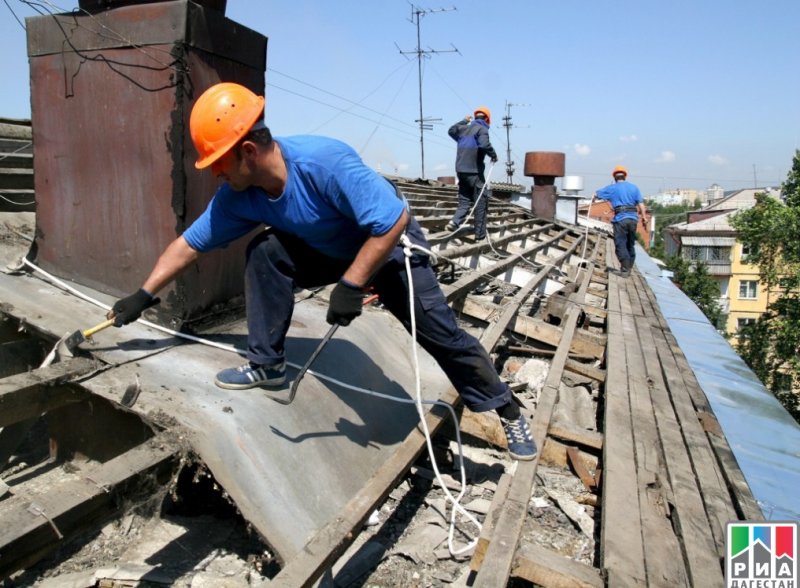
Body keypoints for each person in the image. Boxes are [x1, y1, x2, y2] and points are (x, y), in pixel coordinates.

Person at [108, 83, 536, 461]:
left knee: (440, 335)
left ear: (249, 152)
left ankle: (506, 408)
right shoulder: (238, 196)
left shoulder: (323, 161)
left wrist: (351, 285)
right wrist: (144, 294)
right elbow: (189, 245)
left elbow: (390, 222)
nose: (217, 173)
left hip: (389, 248)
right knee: (266, 250)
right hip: (330, 251)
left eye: (220, 162)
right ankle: (267, 365)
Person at [445, 107, 498, 240]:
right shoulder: (482, 129)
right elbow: (484, 145)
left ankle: (455, 222)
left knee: (464, 200)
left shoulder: (463, 129)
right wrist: (493, 155)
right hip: (474, 172)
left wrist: (463, 121)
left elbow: (451, 130)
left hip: (461, 171)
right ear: (487, 119)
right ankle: (480, 237)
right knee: (481, 203)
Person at [591, 166, 646, 277]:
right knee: (630, 244)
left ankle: (625, 270)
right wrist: (644, 217)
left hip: (621, 219)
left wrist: (593, 197)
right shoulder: (634, 188)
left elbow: (596, 194)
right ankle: (629, 267)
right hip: (633, 219)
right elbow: (641, 204)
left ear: (615, 177)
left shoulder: (613, 188)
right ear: (624, 176)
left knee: (620, 244)